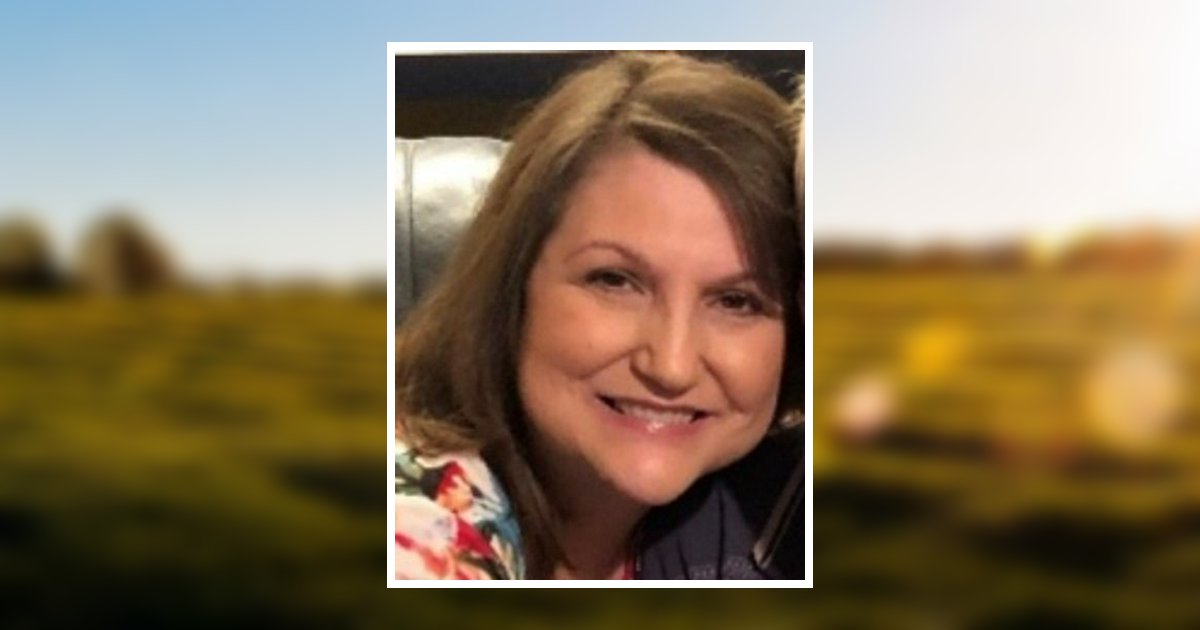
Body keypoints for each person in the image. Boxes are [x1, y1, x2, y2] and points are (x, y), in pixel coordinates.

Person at [395, 51, 802, 580]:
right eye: (615, 281)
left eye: (736, 301)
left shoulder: (763, 511)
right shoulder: (420, 510)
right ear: (513, 286)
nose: (671, 365)